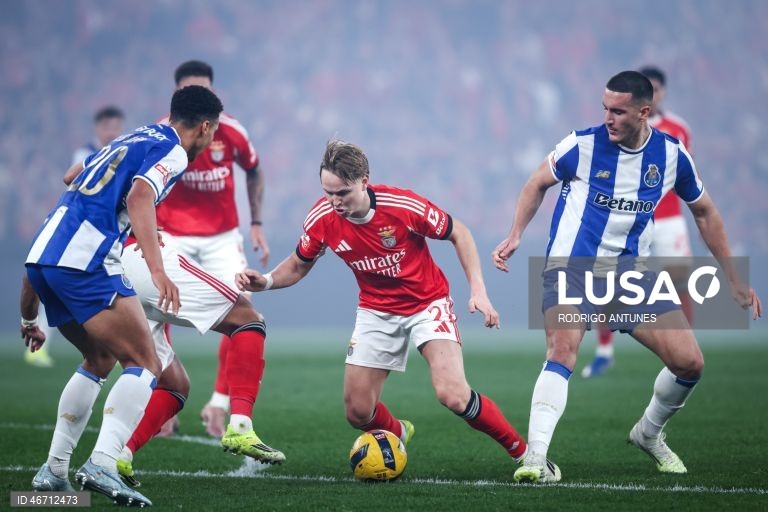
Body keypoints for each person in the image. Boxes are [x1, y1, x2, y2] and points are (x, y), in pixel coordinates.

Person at [491, 71, 762, 483]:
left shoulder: (672, 156)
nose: (608, 118)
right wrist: (515, 234)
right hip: (571, 268)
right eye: (605, 109)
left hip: (628, 275)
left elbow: (704, 211)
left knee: (690, 364)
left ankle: (649, 434)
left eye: (617, 111)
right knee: (562, 350)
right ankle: (535, 459)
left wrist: (733, 278)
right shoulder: (581, 145)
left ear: (644, 112)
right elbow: (536, 183)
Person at [235, 139, 560, 480]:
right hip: (375, 310)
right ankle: (398, 433)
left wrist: (478, 291)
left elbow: (459, 233)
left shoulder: (401, 206)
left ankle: (528, 457)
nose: (335, 202)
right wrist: (267, 282)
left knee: (453, 395)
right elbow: (299, 265)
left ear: (364, 179)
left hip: (426, 303)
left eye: (343, 192)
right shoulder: (322, 218)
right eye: (328, 192)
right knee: (358, 412)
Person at [21, 85, 222, 507]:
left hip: (44, 255)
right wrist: (156, 269)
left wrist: (28, 319)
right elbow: (139, 196)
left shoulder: (135, 136)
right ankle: (103, 464)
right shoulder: (175, 151)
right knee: (145, 360)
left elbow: (71, 176)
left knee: (98, 359)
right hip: (86, 259)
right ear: (205, 127)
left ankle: (54, 471)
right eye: (213, 132)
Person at [154, 60, 270, 438]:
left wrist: (256, 223)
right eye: (189, 90)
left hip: (222, 236)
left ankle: (218, 404)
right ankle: (161, 399)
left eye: (204, 90)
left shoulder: (231, 130)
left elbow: (254, 169)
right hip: (171, 233)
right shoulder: (160, 133)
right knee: (154, 313)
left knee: (242, 310)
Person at [582, 66, 696, 378]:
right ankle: (605, 351)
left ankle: (683, 350)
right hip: (629, 220)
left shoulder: (678, 130)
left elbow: (684, 178)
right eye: (652, 88)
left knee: (677, 284)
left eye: (660, 89)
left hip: (669, 217)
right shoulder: (619, 129)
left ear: (663, 92)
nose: (657, 94)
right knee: (604, 283)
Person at [24, 106, 126, 369]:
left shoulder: (121, 154)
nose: (111, 130)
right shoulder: (86, 154)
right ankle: (40, 348)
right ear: (98, 128)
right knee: (57, 289)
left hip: (99, 234)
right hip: (79, 233)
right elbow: (75, 183)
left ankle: (105, 347)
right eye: (107, 125)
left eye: (116, 125)